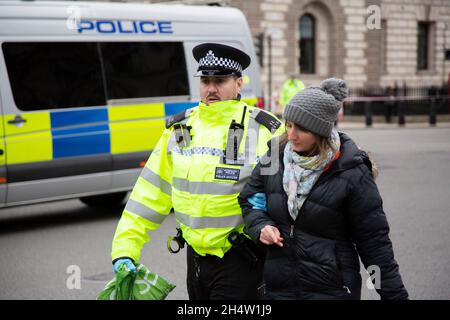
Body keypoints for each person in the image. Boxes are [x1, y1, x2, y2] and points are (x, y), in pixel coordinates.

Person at [110, 43, 284, 300]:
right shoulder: (180, 129)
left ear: (239, 84)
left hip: (242, 260)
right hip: (195, 261)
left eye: (220, 80)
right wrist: (125, 249)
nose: (211, 88)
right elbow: (149, 193)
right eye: (205, 80)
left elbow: (284, 200)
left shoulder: (265, 129)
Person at [238, 78, 409, 300]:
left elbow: (374, 244)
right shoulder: (275, 155)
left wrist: (393, 295)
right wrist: (261, 225)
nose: (291, 135)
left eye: (301, 128)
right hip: (280, 289)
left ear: (320, 131)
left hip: (333, 290)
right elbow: (251, 198)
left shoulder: (352, 170)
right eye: (288, 124)